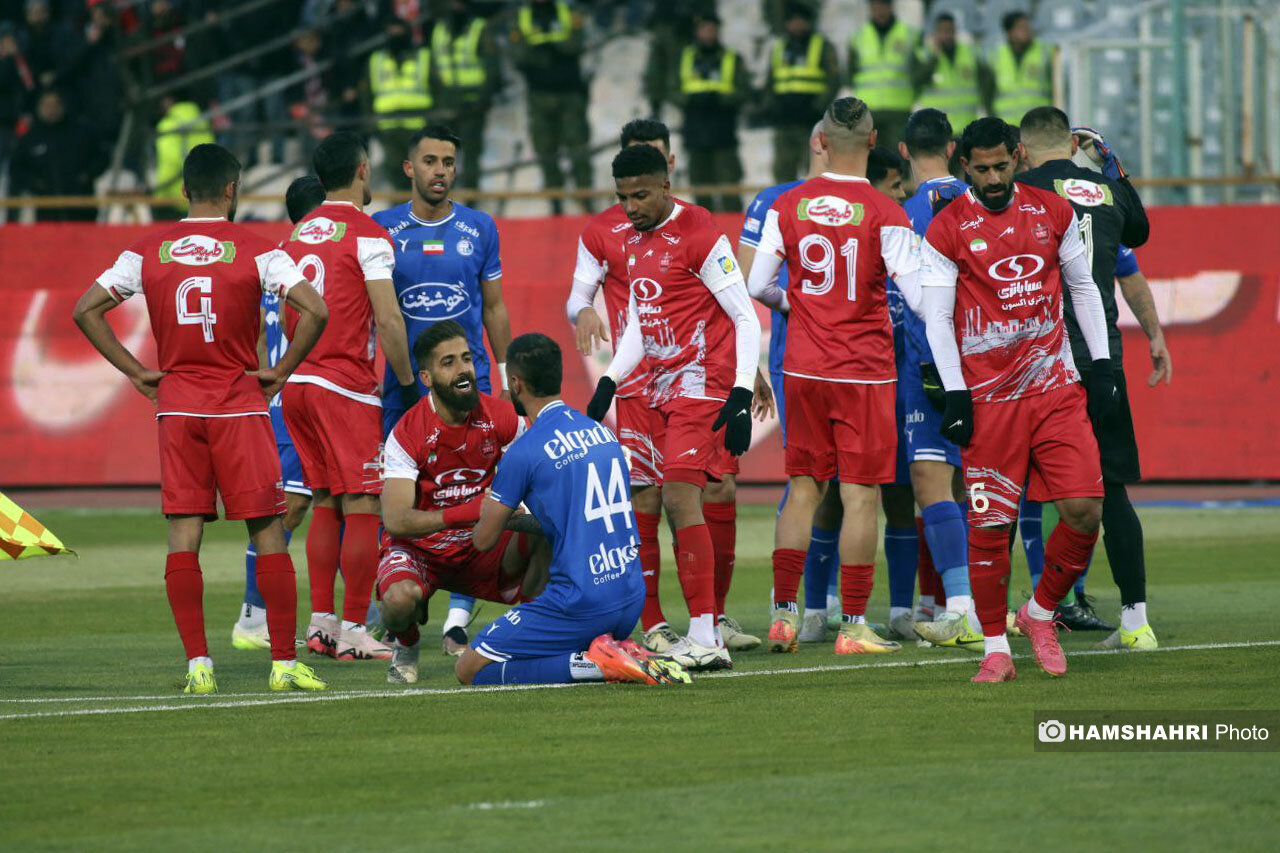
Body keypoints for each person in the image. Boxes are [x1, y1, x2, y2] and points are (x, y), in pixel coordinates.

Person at [71, 143, 330, 694]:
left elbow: (85, 309)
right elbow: (317, 309)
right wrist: (280, 369)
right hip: (238, 405)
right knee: (267, 532)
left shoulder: (148, 250)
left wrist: (138, 372)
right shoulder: (259, 251)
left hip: (179, 406)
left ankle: (198, 668)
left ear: (185, 189)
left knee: (183, 535)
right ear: (233, 190)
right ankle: (283, 664)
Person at [917, 117, 1114, 683]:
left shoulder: (1054, 212)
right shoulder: (947, 227)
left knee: (1084, 510)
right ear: (963, 165)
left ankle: (1040, 613)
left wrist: (1099, 368)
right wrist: (956, 393)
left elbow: (1082, 288)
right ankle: (995, 649)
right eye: (981, 169)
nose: (994, 177)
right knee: (990, 529)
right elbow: (938, 318)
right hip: (989, 401)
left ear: (1019, 155)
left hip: (1055, 388)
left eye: (1002, 165)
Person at [568, 118, 765, 656]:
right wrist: (609, 380)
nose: (630, 207)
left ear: (666, 187)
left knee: (682, 497)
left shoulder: (701, 230)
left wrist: (742, 393)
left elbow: (746, 317)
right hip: (650, 389)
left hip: (700, 384)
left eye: (640, 196)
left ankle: (706, 635)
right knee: (653, 500)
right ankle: (690, 630)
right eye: (622, 198)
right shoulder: (631, 241)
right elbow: (639, 320)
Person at [747, 97, 923, 656]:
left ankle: (782, 617)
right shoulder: (885, 211)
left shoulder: (788, 204)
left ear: (821, 140)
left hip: (802, 365)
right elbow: (916, 295)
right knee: (861, 497)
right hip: (864, 372)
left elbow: (757, 286)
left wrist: (792, 305)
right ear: (873, 144)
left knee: (802, 490)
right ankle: (852, 626)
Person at [454, 333, 691, 687]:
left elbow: (484, 540)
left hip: (581, 603)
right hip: (629, 597)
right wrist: (524, 520)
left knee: (469, 668)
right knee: (538, 649)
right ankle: (616, 649)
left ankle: (596, 664)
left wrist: (487, 507)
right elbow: (575, 519)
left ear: (516, 383)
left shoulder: (523, 451)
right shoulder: (602, 433)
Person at [1016, 108, 1162, 650]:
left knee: (1007, 490)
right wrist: (1110, 165)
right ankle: (1136, 620)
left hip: (1037, 357)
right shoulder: (1103, 187)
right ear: (1071, 143)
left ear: (1022, 150)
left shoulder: (1020, 186)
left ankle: (989, 615)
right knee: (1113, 489)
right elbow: (1141, 232)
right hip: (1104, 355)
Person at [372, 123, 513, 654]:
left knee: (481, 491)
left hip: (469, 388)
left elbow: (494, 306)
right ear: (409, 167)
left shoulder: (480, 228)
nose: (440, 171)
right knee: (396, 497)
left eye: (449, 162)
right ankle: (399, 593)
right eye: (430, 161)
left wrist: (501, 371)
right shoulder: (381, 230)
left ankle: (456, 616)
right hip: (402, 389)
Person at [282, 132, 418, 663]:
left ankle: (321, 624)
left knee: (324, 501)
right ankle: (357, 628)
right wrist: (406, 383)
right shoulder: (368, 234)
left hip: (298, 383)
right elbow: (387, 318)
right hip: (344, 384)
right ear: (364, 170)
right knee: (363, 501)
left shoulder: (294, 236)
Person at [377, 321, 542, 684]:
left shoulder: (500, 417)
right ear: (427, 377)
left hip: (482, 547)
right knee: (397, 602)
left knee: (550, 530)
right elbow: (396, 520)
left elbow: (535, 476)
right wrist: (467, 512)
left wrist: (528, 511)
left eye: (466, 358)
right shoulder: (407, 433)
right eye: (448, 362)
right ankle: (407, 643)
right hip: (423, 552)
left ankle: (533, 635)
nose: (463, 369)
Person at [739, 121, 844, 642]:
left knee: (835, 486)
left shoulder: (859, 199)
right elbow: (743, 286)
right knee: (822, 483)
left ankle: (816, 607)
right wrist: (750, 364)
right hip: (808, 361)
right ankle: (808, 607)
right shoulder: (774, 201)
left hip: (833, 362)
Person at [888, 109, 982, 651]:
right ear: (952, 149)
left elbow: (899, 303)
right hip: (985, 360)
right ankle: (975, 602)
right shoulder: (979, 202)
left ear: (903, 152)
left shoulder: (903, 215)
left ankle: (963, 608)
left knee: (929, 483)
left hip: (926, 366)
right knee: (977, 486)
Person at [231, 175, 328, 651]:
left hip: (307, 397)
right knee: (291, 506)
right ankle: (253, 614)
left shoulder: (274, 257)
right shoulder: (299, 260)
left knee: (339, 501)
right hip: (293, 401)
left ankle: (351, 616)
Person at [510, 0, 592, 214]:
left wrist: (545, 50)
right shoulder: (521, 17)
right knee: (546, 150)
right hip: (539, 94)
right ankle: (555, 201)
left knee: (578, 148)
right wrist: (550, 54)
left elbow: (578, 43)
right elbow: (517, 55)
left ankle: (586, 199)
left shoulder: (570, 12)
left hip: (570, 93)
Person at [671, 13, 749, 212]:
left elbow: (744, 90)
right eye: (704, 29)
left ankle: (733, 232)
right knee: (701, 190)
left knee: (730, 189)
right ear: (697, 32)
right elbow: (671, 89)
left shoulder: (732, 58)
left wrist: (721, 99)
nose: (708, 34)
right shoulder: (684, 58)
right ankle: (705, 238)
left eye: (712, 29)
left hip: (724, 131)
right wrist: (689, 100)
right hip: (695, 130)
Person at [430, 0, 501, 192]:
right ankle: (444, 198)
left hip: (472, 102)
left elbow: (492, 67)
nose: (455, 7)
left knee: (470, 155)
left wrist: (482, 99)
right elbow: (434, 69)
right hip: (446, 102)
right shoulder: (439, 30)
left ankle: (470, 200)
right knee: (441, 156)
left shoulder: (479, 29)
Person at [764, 3, 839, 184]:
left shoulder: (822, 46)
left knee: (814, 170)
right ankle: (782, 209)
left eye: (801, 20)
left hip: (811, 121)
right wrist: (774, 107)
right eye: (793, 21)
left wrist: (816, 107)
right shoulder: (779, 48)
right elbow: (770, 82)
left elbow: (833, 80)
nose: (797, 25)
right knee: (783, 172)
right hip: (785, 121)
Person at [7, 88, 105, 222]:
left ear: (63, 106)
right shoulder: (30, 138)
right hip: (46, 209)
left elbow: (102, 157)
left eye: (55, 105)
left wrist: (86, 176)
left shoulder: (82, 133)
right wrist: (36, 184)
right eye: (46, 105)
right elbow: (17, 168)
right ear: (38, 108)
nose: (51, 109)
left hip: (81, 207)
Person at [367, 17, 434, 190]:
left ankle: (422, 213)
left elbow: (437, 88)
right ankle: (401, 211)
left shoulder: (423, 57)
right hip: (388, 126)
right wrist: (371, 122)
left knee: (422, 173)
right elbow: (366, 94)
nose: (395, 35)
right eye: (392, 31)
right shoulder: (376, 60)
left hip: (418, 124)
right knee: (395, 171)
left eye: (399, 30)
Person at [847, 0, 919, 152]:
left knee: (897, 161)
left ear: (891, 7)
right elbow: (849, 73)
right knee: (871, 162)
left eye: (883, 6)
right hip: (868, 112)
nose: (879, 11)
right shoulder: (858, 36)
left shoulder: (910, 35)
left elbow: (919, 72)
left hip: (899, 110)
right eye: (875, 6)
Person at [913, 13, 990, 132]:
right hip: (937, 130)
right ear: (935, 32)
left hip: (967, 126)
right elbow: (917, 79)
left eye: (950, 30)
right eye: (942, 31)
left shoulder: (969, 52)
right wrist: (935, 57)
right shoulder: (926, 55)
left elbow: (986, 80)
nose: (946, 35)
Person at [989, 11, 1052, 125]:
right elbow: (989, 94)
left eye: (1028, 26)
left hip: (1038, 125)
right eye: (1021, 28)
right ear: (1009, 32)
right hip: (1007, 126)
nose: (1027, 30)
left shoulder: (1044, 52)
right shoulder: (996, 56)